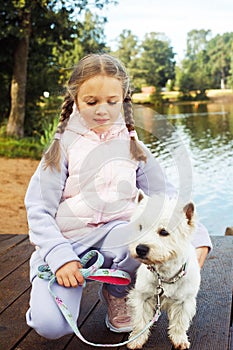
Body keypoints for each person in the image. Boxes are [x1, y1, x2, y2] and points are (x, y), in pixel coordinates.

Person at [25, 53, 212, 340]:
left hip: (117, 238)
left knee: (136, 239)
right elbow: (37, 209)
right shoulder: (61, 147)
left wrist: (197, 240)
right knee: (51, 326)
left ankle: (117, 291)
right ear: (75, 99)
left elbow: (167, 197)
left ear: (123, 99)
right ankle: (48, 286)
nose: (103, 110)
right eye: (92, 102)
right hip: (67, 242)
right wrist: (59, 257)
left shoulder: (133, 145)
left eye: (113, 102)